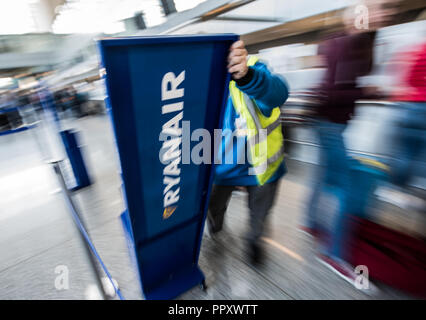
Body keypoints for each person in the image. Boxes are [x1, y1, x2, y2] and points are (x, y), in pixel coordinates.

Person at [302, 0, 397, 283]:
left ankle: (309, 223)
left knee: (323, 175)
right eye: (379, 8)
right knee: (342, 184)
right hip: (328, 121)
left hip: (329, 120)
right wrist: (369, 91)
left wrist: (362, 88)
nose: (385, 14)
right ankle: (334, 253)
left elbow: (339, 84)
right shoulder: (347, 45)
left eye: (386, 9)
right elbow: (334, 91)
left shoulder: (354, 43)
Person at [207, 40, 289, 265]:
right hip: (219, 167)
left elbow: (278, 93)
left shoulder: (253, 67)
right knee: (214, 209)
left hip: (261, 167)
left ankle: (254, 242)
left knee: (259, 216)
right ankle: (215, 230)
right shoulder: (196, 82)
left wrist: (246, 76)